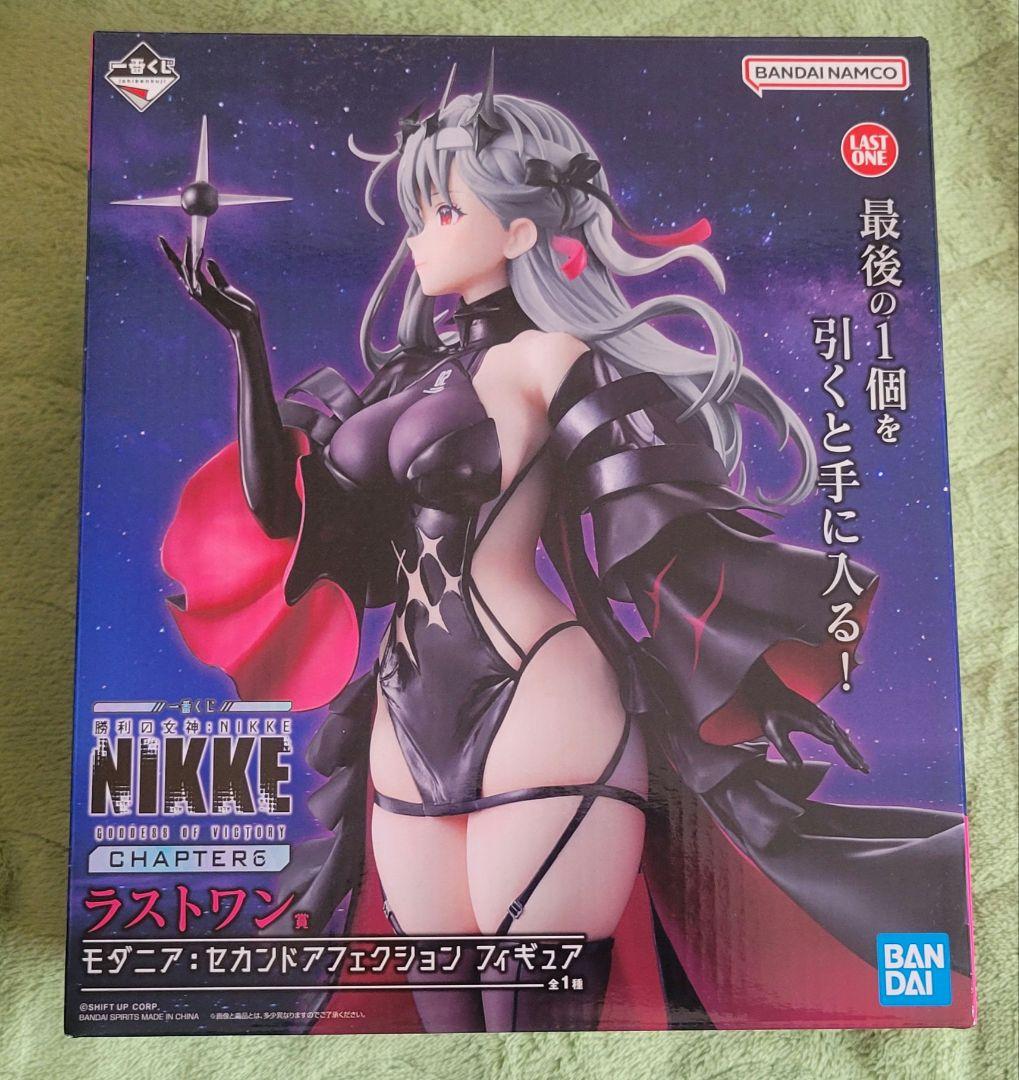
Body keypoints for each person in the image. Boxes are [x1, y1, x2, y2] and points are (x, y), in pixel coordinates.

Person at [158, 59, 970, 1032]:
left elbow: (657, 513)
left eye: (440, 212)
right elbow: (288, 516)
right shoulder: (402, 381)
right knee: (443, 1030)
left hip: (539, 687)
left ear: (519, 232)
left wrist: (765, 621)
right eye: (415, 214)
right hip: (403, 719)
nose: (415, 237)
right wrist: (245, 342)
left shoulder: (554, 357)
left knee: (535, 1020)